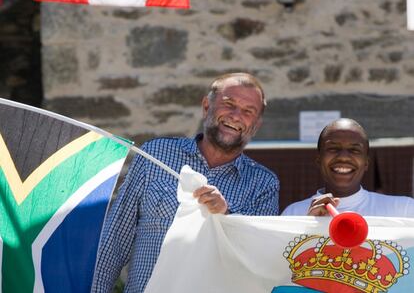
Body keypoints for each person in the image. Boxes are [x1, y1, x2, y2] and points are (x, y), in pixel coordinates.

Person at [92, 72, 280, 292]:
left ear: (256, 125)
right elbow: (114, 240)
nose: (236, 115)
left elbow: (258, 261)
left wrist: (224, 217)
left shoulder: (264, 184)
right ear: (206, 106)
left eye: (248, 111)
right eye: (229, 104)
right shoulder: (156, 154)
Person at [282, 118, 414, 217]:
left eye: (354, 150)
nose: (343, 157)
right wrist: (306, 228)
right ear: (318, 159)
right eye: (333, 148)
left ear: (366, 162)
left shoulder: (403, 210)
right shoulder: (293, 214)